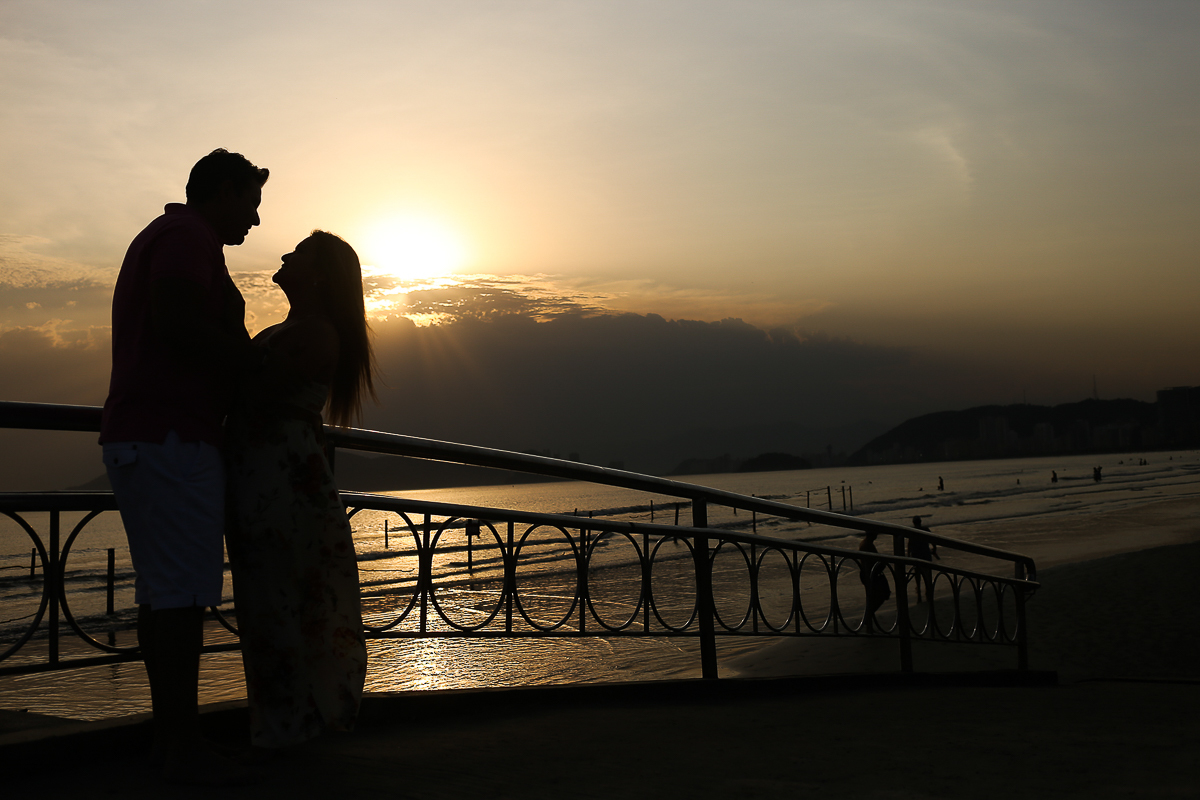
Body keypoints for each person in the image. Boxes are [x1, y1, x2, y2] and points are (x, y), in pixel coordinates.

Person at [100, 149, 268, 784]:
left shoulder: (179, 237)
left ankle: (173, 738)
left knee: (165, 595)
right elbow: (175, 324)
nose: (254, 220)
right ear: (222, 192)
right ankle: (181, 746)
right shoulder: (185, 237)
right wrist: (253, 363)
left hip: (154, 436)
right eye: (249, 203)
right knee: (178, 600)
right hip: (170, 438)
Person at [224, 231, 375, 749]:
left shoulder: (315, 333)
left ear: (319, 274)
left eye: (300, 252)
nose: (287, 254)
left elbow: (252, 394)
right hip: (269, 475)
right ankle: (286, 723)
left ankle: (294, 726)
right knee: (273, 598)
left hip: (283, 480)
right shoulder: (295, 329)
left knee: (284, 600)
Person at [858, 532, 891, 625]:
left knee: (874, 597)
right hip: (871, 574)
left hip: (869, 574)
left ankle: (869, 620)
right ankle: (868, 617)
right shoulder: (867, 545)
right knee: (880, 596)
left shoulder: (866, 543)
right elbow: (871, 562)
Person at [907, 515, 939, 602]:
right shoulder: (925, 529)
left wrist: (908, 555)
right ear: (920, 522)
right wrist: (934, 549)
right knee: (927, 574)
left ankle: (919, 594)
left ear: (913, 523)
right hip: (926, 554)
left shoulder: (912, 531)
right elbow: (933, 540)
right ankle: (928, 592)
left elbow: (909, 545)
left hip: (916, 555)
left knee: (917, 575)